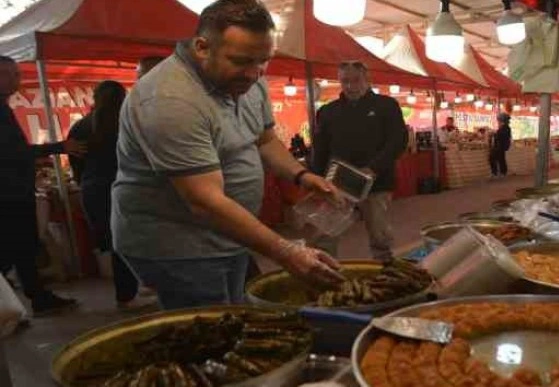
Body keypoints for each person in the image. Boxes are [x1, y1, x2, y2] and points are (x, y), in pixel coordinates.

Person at [112, 0, 344, 310]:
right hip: (179, 244)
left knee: (236, 310)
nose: (254, 73)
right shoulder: (169, 100)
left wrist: (301, 175)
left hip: (227, 235)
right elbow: (204, 202)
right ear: (202, 47)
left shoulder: (250, 80)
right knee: (211, 325)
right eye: (241, 61)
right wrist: (287, 252)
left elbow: (264, 139)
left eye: (264, 60)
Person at [0, 55, 83, 316]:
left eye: (17, 73)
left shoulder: (5, 107)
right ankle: (30, 299)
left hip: (14, 190)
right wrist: (58, 147)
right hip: (8, 193)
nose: (17, 79)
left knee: (21, 248)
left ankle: (36, 297)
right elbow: (11, 151)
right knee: (15, 248)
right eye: (9, 74)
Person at [69, 81, 156, 309]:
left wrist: (83, 183)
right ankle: (127, 295)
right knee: (129, 241)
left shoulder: (80, 126)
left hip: (93, 189)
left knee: (115, 242)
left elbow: (75, 162)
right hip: (126, 187)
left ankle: (130, 291)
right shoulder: (130, 124)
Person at [312, 61, 407, 261]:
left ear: (367, 79)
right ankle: (325, 274)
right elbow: (320, 149)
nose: (350, 86)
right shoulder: (328, 112)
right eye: (344, 81)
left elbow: (398, 141)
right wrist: (316, 179)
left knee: (379, 236)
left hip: (376, 182)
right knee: (324, 235)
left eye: (356, 80)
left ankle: (387, 273)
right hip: (338, 183)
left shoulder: (386, 106)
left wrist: (373, 168)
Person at [489, 113, 512, 178]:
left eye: (499, 120)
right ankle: (500, 172)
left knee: (495, 158)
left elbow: (501, 136)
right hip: (500, 146)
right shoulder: (504, 127)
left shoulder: (506, 128)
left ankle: (498, 172)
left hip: (500, 146)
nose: (498, 121)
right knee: (500, 159)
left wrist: (494, 133)